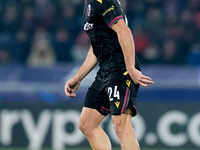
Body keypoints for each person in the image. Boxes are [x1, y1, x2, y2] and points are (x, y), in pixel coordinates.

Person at [65, 0, 154, 150]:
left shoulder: (103, 0)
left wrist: (131, 68)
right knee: (87, 124)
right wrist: (77, 77)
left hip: (121, 68)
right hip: (105, 69)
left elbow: (124, 31)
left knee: (121, 126)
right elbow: (96, 48)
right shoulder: (89, 3)